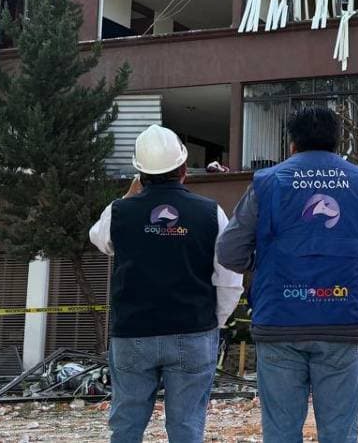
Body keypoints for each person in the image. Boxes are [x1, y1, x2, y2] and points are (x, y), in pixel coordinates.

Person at [216, 106, 358, 442]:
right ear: (337, 142)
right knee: (340, 431)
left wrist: (265, 270)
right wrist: (355, 273)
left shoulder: (267, 183)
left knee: (281, 432)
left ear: (292, 145)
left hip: (279, 322)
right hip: (343, 320)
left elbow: (229, 251)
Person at [88, 125, 244, 443]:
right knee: (186, 426)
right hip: (193, 332)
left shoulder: (120, 213)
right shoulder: (210, 213)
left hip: (133, 334)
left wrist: (130, 195)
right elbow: (229, 278)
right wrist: (215, 322)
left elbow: (99, 238)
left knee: (126, 426)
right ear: (185, 169)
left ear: (139, 173)